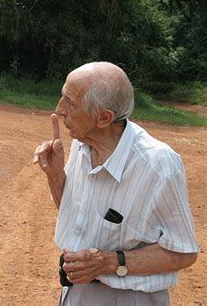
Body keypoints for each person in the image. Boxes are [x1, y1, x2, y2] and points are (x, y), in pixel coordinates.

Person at [33, 61, 199, 305]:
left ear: (103, 118)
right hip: (76, 292)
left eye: (70, 102)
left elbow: (183, 252)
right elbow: (73, 213)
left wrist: (109, 262)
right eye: (62, 97)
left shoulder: (158, 165)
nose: (59, 110)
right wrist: (55, 176)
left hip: (130, 298)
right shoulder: (83, 144)